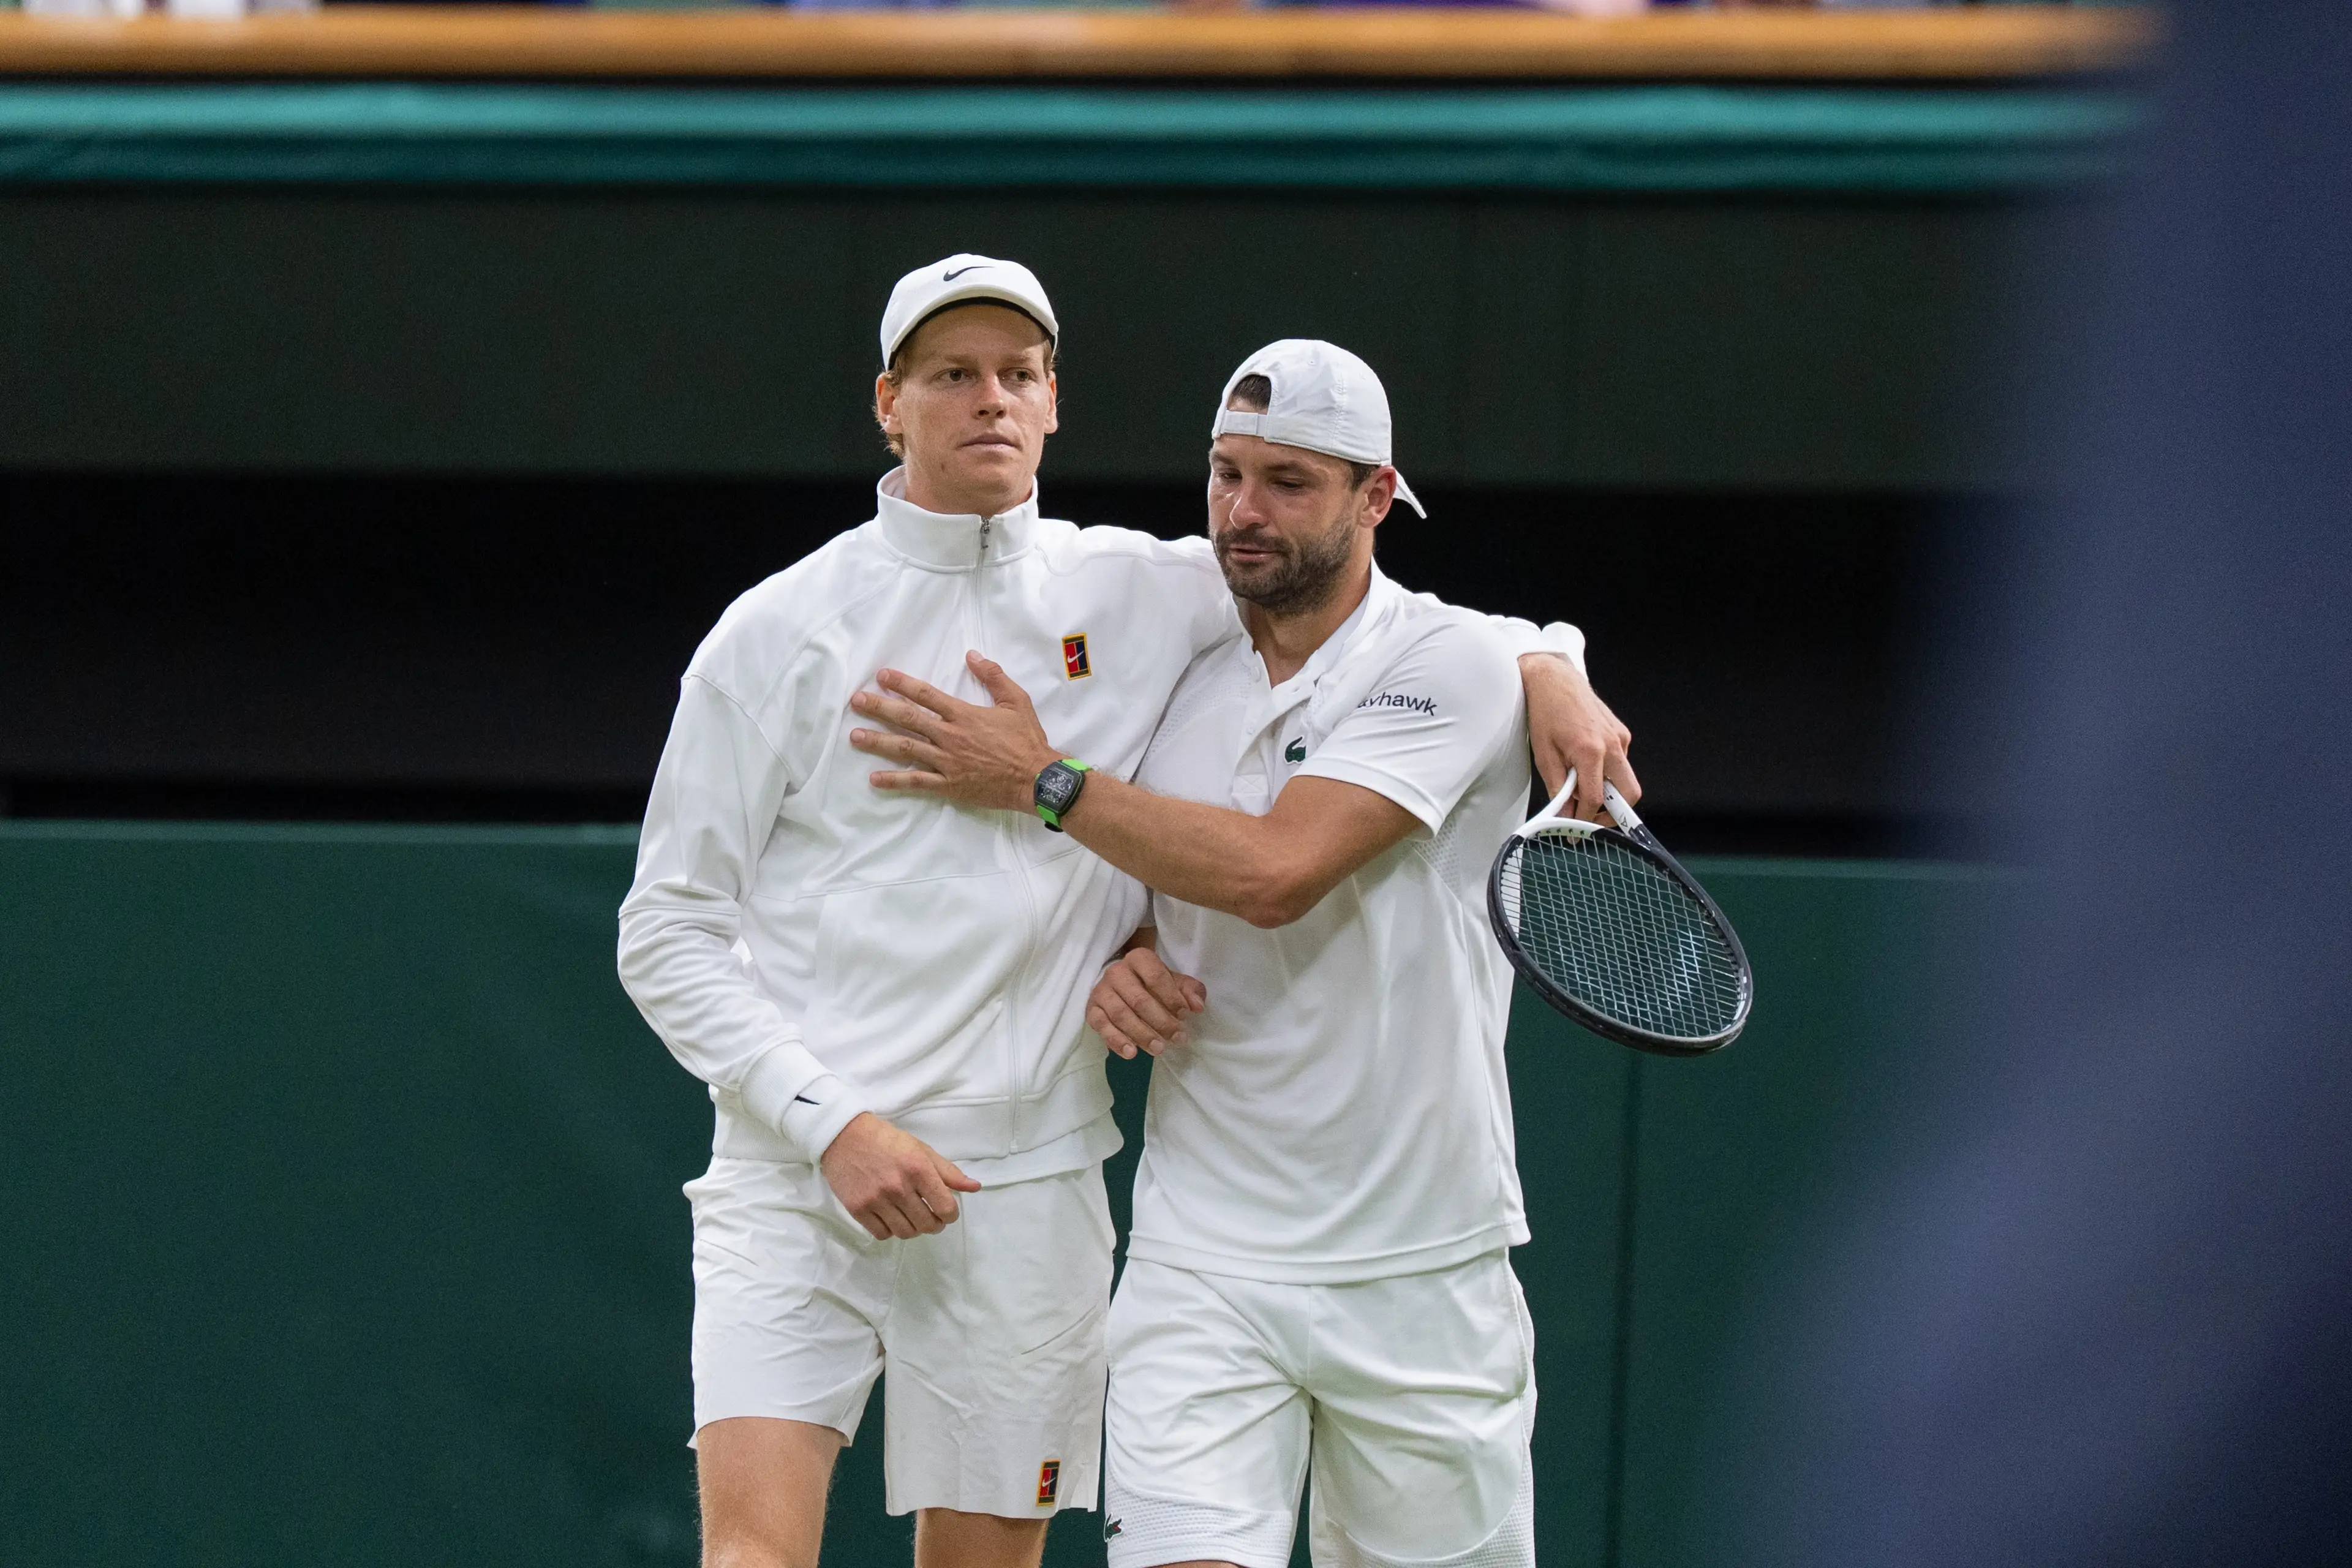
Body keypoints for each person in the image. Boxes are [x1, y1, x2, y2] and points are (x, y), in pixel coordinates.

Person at [618, 260, 1634, 1568]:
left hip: (1028, 1183)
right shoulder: (774, 632)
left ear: (1054, 405)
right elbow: (666, 930)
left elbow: (1400, 614)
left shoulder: (1150, 592)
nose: (990, 400)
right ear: (890, 404)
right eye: (952, 375)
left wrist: (1549, 650)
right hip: (801, 1171)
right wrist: (830, 1123)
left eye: (1018, 375)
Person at [848, 337, 1566, 1568]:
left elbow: (1274, 873)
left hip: (1423, 1269)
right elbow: (1131, 874)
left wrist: (1039, 776)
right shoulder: (1177, 670)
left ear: (1376, 495)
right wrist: (1125, 943)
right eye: (1229, 474)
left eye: (1289, 481)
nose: (1245, 511)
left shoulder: (1453, 662)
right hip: (1201, 1261)